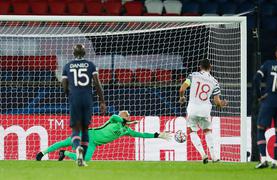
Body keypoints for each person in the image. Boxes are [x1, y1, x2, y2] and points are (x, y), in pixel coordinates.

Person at [36, 111, 171, 163]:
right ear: (122, 116)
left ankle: (64, 153)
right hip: (89, 133)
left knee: (86, 159)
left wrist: (157, 135)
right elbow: (114, 116)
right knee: (65, 141)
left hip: (94, 143)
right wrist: (125, 120)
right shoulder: (114, 120)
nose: (127, 117)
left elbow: (141, 134)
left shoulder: (126, 130)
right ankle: (42, 153)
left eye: (128, 116)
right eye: (126, 115)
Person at [61, 44, 106, 166]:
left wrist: (69, 96)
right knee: (85, 129)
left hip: (75, 99)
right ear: (84, 53)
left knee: (76, 129)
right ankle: (83, 159)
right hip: (87, 99)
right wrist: (102, 101)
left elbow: (64, 85)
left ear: (73, 53)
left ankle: (77, 149)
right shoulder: (91, 65)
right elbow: (97, 84)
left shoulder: (67, 66)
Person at [179, 59, 227, 164]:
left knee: (192, 131)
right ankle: (214, 157)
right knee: (207, 131)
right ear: (210, 67)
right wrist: (222, 103)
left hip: (192, 108)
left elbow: (182, 89)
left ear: (200, 67)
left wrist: (182, 97)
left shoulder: (193, 75)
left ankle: (203, 155)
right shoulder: (214, 82)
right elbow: (217, 102)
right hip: (205, 109)